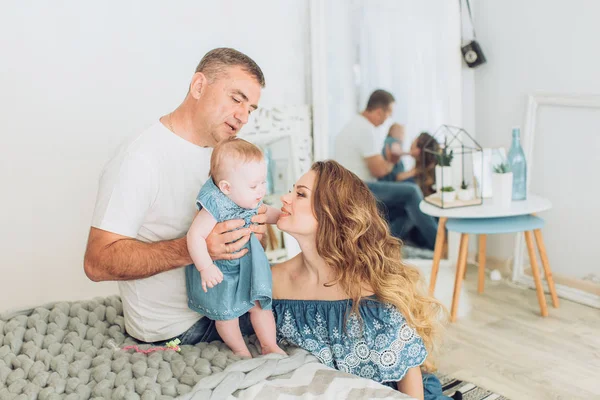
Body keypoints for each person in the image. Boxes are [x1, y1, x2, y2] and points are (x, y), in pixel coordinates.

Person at [83, 48, 268, 345]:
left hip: (228, 304)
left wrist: (253, 232)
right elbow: (97, 262)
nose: (244, 116)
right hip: (183, 330)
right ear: (198, 86)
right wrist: (196, 248)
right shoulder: (141, 159)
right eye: (236, 99)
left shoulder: (225, 153)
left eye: (251, 109)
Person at [271, 160, 453, 400]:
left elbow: (407, 369)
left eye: (300, 194)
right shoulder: (273, 280)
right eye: (292, 190)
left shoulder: (370, 286)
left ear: (331, 212)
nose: (285, 198)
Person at [186, 138, 285, 357]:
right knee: (226, 314)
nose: (260, 190)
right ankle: (241, 350)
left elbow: (265, 212)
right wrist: (205, 267)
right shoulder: (214, 204)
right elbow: (195, 236)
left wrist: (282, 218)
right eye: (253, 186)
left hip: (249, 266)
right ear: (226, 188)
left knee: (260, 306)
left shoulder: (250, 198)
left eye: (262, 182)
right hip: (222, 271)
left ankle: (269, 344)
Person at [334, 90, 438, 249]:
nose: (386, 120)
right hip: (357, 188)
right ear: (378, 112)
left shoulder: (356, 125)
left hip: (352, 186)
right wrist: (391, 161)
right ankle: (438, 243)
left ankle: (384, 244)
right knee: (412, 192)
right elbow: (380, 171)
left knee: (408, 208)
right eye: (388, 114)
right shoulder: (365, 129)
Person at [392, 132, 440, 198]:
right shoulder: (424, 172)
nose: (411, 142)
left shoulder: (412, 180)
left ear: (418, 151)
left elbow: (398, 178)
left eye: (414, 141)